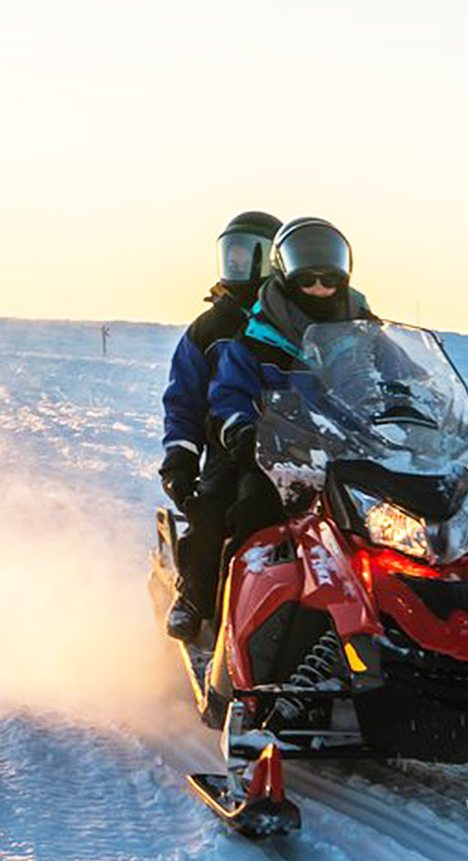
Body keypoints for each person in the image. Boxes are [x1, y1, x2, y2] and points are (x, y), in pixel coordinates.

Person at [207, 217, 375, 554]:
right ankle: (225, 601)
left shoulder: (364, 331)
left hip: (359, 458)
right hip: (281, 463)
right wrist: (241, 429)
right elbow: (228, 396)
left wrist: (442, 414)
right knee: (250, 526)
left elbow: (408, 378)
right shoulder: (255, 340)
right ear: (287, 279)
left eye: (328, 280)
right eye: (307, 280)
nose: (318, 289)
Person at [160, 211, 283, 640]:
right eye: (233, 255)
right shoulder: (210, 329)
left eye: (254, 255)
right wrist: (180, 457)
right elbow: (184, 401)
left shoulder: (296, 319)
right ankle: (196, 596)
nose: (242, 266)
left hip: (309, 448)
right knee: (213, 509)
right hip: (232, 450)